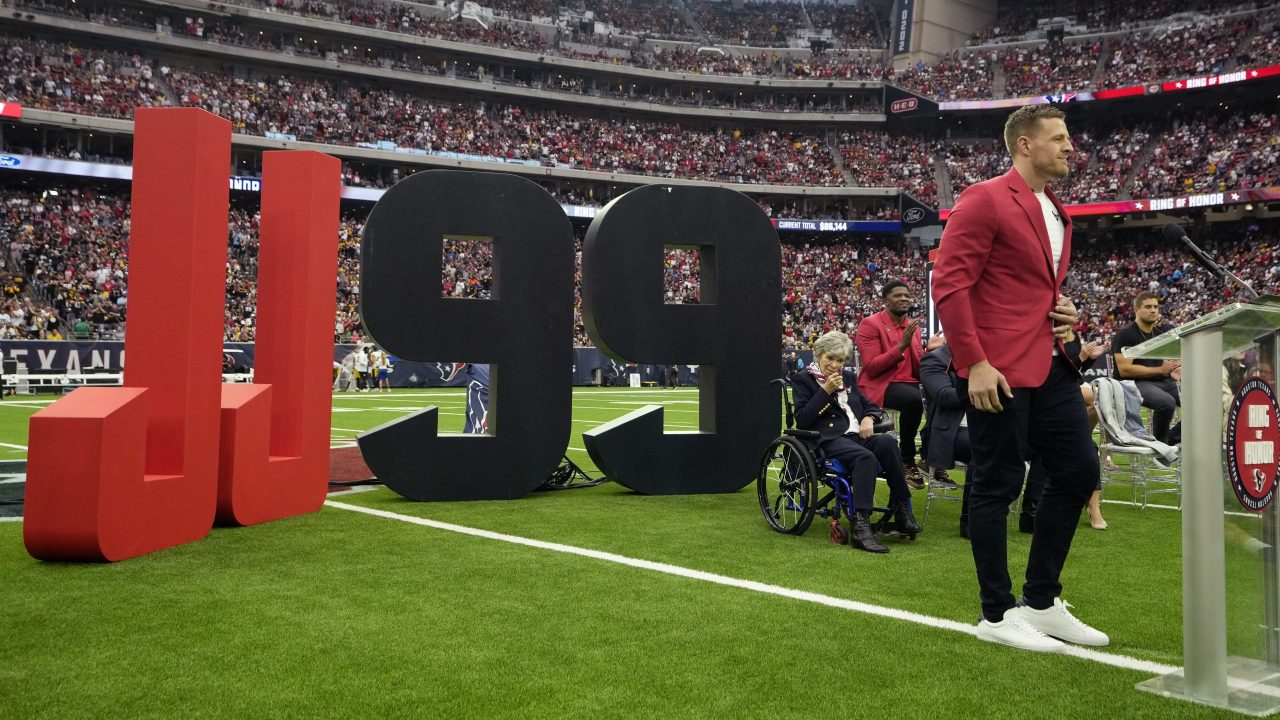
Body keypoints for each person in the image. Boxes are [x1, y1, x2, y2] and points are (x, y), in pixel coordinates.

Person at [932, 104, 1108, 652]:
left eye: (1069, 138)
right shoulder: (984, 197)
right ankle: (996, 612)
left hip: (1050, 361)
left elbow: (1027, 286)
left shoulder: (1056, 210)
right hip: (997, 368)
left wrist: (1064, 310)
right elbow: (950, 284)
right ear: (1025, 145)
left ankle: (1042, 601)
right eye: (1058, 138)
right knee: (997, 483)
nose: (1070, 147)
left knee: (1079, 471)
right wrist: (974, 362)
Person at [791, 331, 922, 554]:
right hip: (827, 439)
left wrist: (869, 417)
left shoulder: (849, 378)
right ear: (819, 355)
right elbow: (802, 419)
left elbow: (869, 404)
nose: (835, 365)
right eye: (830, 358)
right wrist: (825, 391)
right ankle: (862, 526)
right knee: (865, 457)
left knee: (889, 444)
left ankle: (902, 510)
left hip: (856, 436)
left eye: (840, 360)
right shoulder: (804, 379)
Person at [854, 279, 930, 488]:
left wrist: (932, 354)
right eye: (898, 295)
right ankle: (906, 460)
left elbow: (918, 363)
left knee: (944, 394)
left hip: (911, 382)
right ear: (886, 300)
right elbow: (872, 367)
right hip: (882, 384)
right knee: (914, 400)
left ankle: (930, 457)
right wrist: (901, 346)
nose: (904, 298)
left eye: (906, 295)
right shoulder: (870, 324)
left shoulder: (912, 327)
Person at [1111, 292, 1180, 443]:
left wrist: (1174, 370)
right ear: (1136, 310)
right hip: (1133, 383)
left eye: (1156, 307)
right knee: (1167, 403)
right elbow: (1125, 370)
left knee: (1197, 400)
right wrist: (1160, 370)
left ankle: (1171, 440)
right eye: (1148, 307)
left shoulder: (1159, 335)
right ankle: (1161, 446)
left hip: (1162, 381)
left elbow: (1167, 364)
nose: (1153, 310)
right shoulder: (1126, 335)